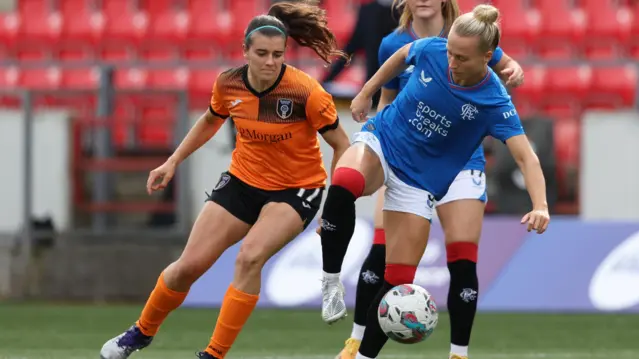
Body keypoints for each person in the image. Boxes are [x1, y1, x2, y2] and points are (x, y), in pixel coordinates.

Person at [99, 2, 351, 359]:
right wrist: (173, 161)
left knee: (249, 258)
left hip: (296, 189)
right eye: (261, 53)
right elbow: (209, 120)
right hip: (243, 181)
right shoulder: (229, 84)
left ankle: (213, 354)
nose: (270, 61)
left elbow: (342, 144)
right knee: (187, 267)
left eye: (277, 54)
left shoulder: (305, 92)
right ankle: (139, 333)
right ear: (244, 51)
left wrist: (335, 207)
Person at [318, 4, 550, 359]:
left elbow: (525, 156)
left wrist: (541, 206)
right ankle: (331, 283)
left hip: (420, 182)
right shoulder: (435, 48)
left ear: (487, 57)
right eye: (451, 53)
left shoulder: (495, 102)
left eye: (461, 58)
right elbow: (403, 54)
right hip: (384, 141)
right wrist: (366, 91)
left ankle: (367, 356)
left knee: (397, 279)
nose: (451, 62)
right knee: (345, 181)